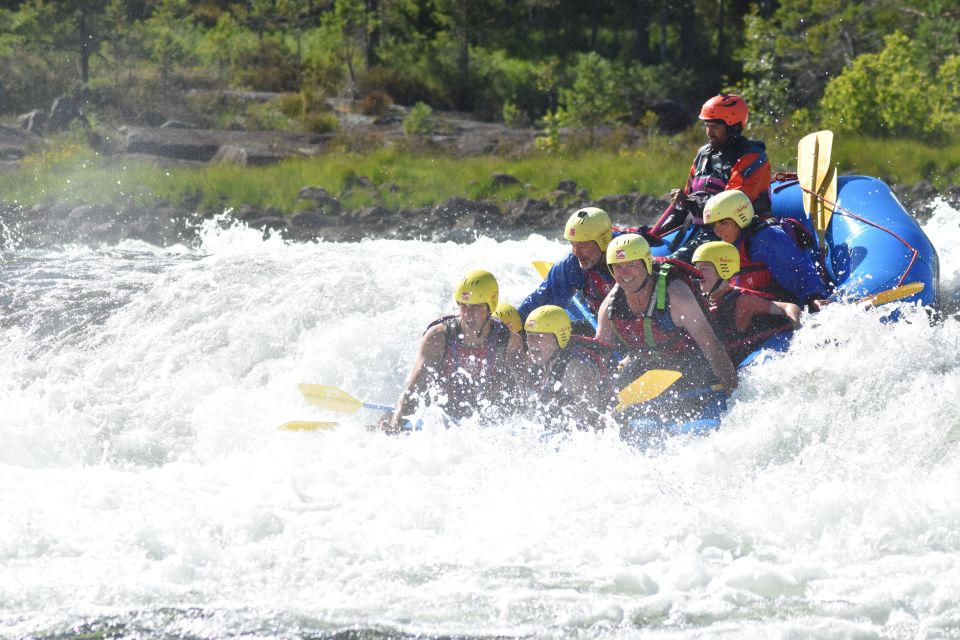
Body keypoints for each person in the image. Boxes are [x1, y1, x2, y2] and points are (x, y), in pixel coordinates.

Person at [596, 234, 738, 418]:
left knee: (673, 405)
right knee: (612, 402)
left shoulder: (677, 296)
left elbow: (712, 347)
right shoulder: (610, 307)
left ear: (646, 264)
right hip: (648, 365)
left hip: (692, 362)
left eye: (631, 265)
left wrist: (734, 394)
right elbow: (601, 357)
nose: (625, 274)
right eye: (618, 267)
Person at [381, 269, 524, 432]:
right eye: (463, 305)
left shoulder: (509, 342)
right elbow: (413, 391)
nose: (468, 313)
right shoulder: (438, 337)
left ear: (490, 307)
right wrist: (395, 426)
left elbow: (521, 396)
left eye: (476, 307)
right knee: (389, 423)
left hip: (484, 425)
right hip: (438, 418)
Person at [650, 93, 772, 259]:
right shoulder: (703, 154)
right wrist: (655, 234)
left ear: (733, 127)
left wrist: (689, 202)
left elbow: (730, 206)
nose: (709, 133)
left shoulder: (751, 157)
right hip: (701, 231)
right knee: (648, 260)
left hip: (734, 233)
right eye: (707, 126)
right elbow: (686, 202)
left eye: (715, 127)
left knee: (668, 269)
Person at [702, 189, 831, 309]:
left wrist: (813, 298)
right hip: (757, 305)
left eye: (723, 223)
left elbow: (798, 271)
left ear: (740, 218)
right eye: (714, 225)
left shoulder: (767, 238)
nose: (717, 230)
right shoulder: (728, 244)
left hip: (785, 304)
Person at [691, 240, 802, 364]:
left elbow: (789, 307)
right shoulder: (704, 299)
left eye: (703, 268)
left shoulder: (743, 301)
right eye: (696, 269)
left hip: (750, 352)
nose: (697, 274)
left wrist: (799, 333)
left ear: (723, 270)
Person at [521, 305, 618, 431]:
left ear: (558, 338)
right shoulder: (545, 358)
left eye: (539, 337)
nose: (532, 343)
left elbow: (589, 417)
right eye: (529, 336)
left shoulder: (577, 367)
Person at [517, 207, 616, 326]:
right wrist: (512, 323)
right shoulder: (571, 263)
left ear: (603, 241)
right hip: (597, 315)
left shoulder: (632, 256)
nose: (576, 252)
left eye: (583, 245)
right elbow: (541, 298)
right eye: (572, 244)